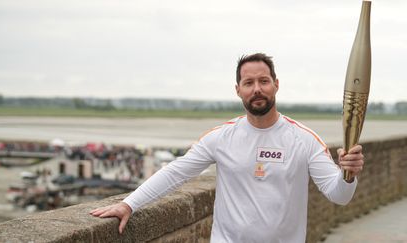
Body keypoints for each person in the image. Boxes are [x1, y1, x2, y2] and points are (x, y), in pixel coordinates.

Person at [90, 53, 364, 242]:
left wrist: (347, 174)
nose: (257, 88)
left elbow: (338, 195)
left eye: (263, 81)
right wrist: (129, 204)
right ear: (238, 90)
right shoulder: (221, 137)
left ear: (276, 85)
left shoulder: (303, 139)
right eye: (249, 83)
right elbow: (176, 173)